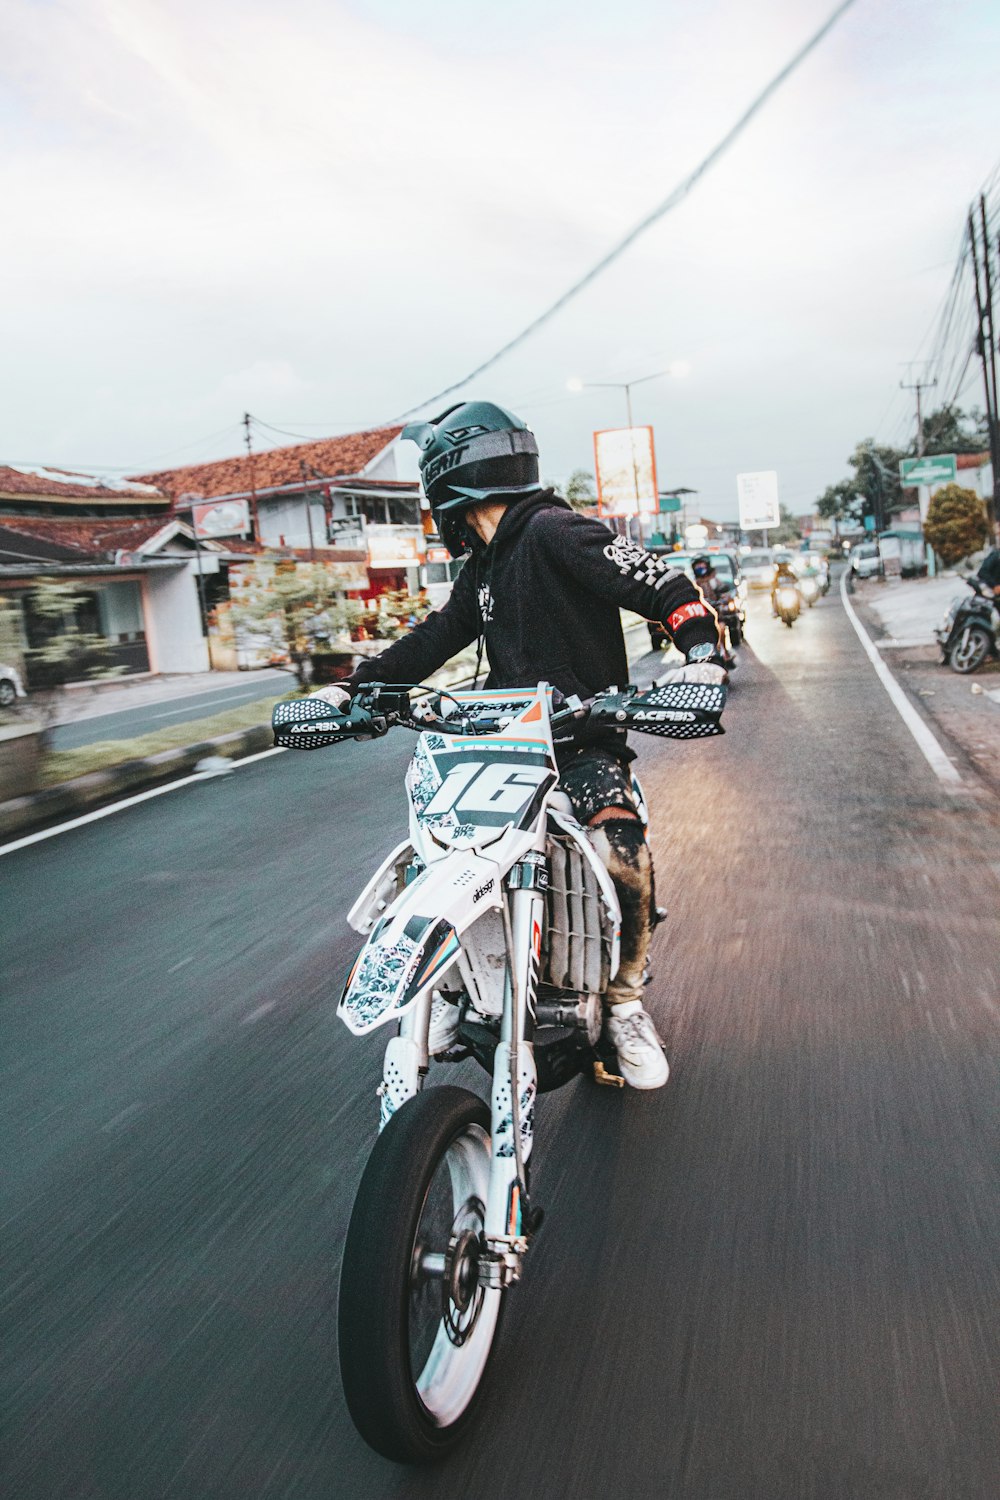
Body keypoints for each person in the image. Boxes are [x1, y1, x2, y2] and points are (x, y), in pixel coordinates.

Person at [311, 401, 725, 1090]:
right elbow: (429, 644)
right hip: (499, 749)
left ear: (449, 476)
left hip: (581, 743)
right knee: (438, 852)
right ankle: (447, 989)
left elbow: (659, 583)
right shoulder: (485, 569)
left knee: (621, 849)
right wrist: (353, 689)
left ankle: (623, 1001)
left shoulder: (555, 531)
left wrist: (702, 651)